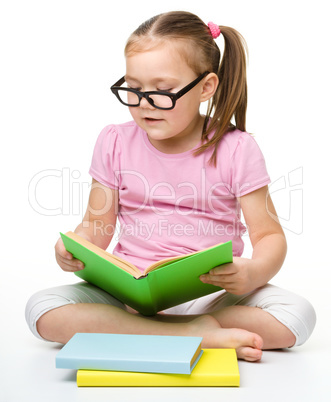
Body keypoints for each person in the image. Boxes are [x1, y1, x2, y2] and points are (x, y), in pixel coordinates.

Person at [25, 11, 316, 362]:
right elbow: (96, 225)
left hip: (211, 293)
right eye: (133, 89)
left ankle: (159, 329)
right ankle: (191, 334)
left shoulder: (237, 148)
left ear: (205, 87)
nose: (144, 103)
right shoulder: (115, 140)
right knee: (41, 309)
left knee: (297, 315)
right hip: (128, 293)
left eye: (163, 91)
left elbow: (269, 236)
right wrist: (76, 246)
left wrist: (252, 272)